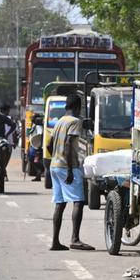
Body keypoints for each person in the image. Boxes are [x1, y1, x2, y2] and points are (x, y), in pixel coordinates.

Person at [48, 93, 93, 251]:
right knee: (78, 202)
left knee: (60, 204)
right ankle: (75, 239)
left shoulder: (59, 121)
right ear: (77, 107)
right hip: (67, 166)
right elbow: (68, 144)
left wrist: (55, 157)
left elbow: (49, 143)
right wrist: (69, 169)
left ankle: (55, 241)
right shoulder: (75, 122)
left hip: (54, 165)